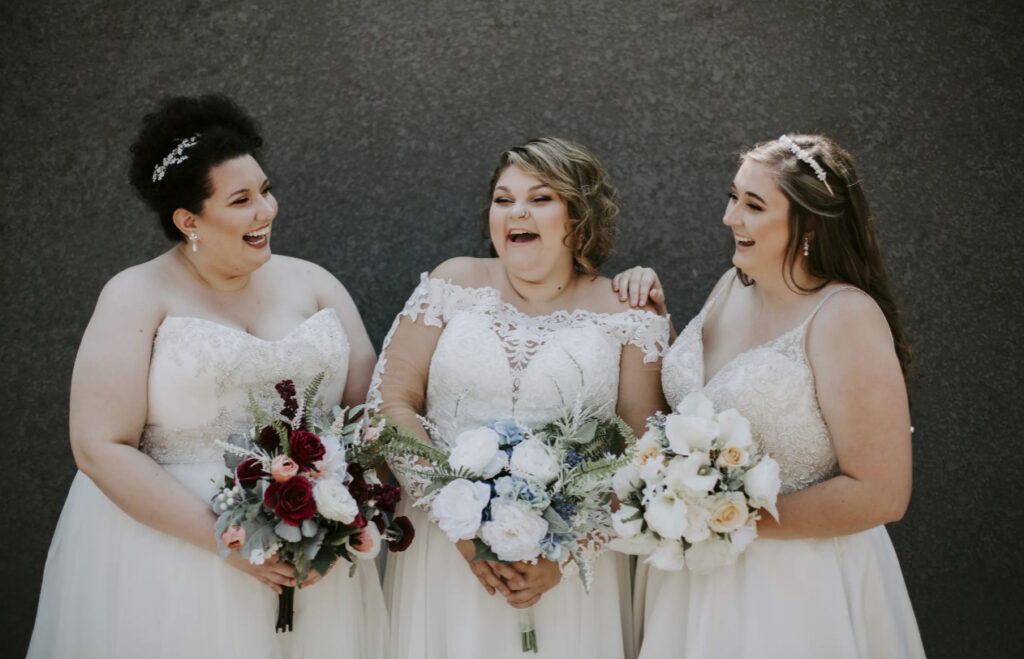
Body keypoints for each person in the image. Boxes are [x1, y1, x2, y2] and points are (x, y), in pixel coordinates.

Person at [27, 95, 388, 658]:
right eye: (241, 200)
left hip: (313, 551)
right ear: (189, 220)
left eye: (265, 190)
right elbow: (98, 445)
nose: (265, 210)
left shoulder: (315, 283)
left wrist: (346, 505)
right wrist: (231, 542)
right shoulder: (136, 295)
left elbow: (371, 414)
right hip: (175, 553)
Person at [613, 134, 925, 658]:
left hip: (797, 590)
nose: (730, 217)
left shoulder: (845, 316)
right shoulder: (733, 285)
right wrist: (652, 323)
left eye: (753, 205)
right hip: (690, 583)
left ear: (808, 225)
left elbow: (882, 493)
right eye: (734, 196)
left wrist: (717, 517)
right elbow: (695, 408)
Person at [368, 137, 669, 659]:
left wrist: (569, 552)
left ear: (579, 214)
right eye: (503, 199)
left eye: (540, 198)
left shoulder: (629, 311)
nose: (516, 213)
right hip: (444, 554)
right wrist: (457, 519)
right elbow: (391, 401)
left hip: (566, 569)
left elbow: (642, 451)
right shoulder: (452, 283)